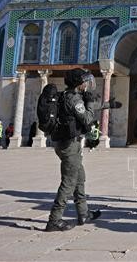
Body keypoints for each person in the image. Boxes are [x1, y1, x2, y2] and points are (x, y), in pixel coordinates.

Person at [45, 68, 101, 232]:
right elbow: (87, 118)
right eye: (85, 81)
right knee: (69, 182)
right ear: (79, 83)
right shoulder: (75, 99)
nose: (87, 84)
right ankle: (54, 220)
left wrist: (106, 105)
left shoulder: (65, 96)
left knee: (79, 178)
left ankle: (83, 214)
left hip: (65, 143)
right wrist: (90, 103)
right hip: (70, 145)